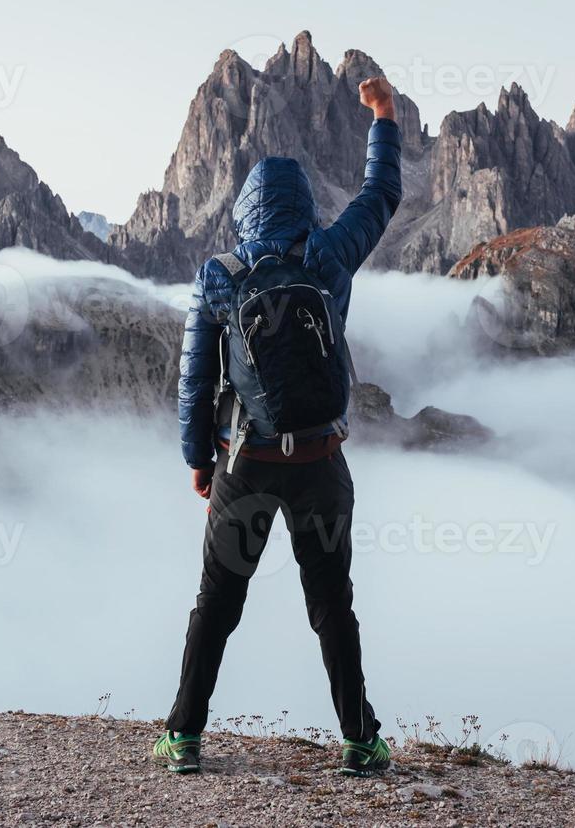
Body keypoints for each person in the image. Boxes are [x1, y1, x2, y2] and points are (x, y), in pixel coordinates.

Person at [154, 75, 403, 777]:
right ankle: (360, 741)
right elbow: (381, 195)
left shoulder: (219, 274)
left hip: (246, 462)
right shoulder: (328, 257)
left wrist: (198, 459)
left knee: (218, 600)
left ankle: (183, 738)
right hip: (321, 463)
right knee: (332, 606)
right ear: (304, 206)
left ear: (242, 211)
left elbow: (196, 377)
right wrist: (383, 115)